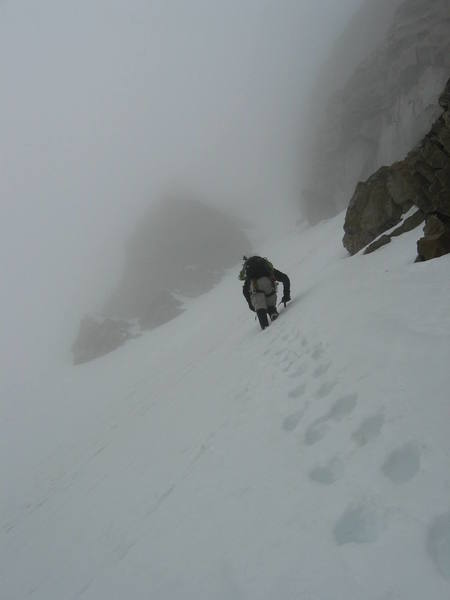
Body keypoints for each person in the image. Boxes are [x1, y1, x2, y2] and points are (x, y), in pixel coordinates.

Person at [239, 256, 291, 329]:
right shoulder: (267, 269)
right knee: (270, 303)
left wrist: (252, 306)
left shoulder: (249, 275)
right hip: (269, 285)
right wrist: (286, 295)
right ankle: (272, 312)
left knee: (260, 306)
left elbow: (245, 291)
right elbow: (285, 278)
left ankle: (265, 327)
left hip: (255, 287)